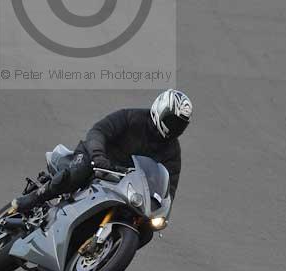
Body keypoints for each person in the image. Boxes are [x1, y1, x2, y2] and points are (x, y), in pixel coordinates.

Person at [12, 89, 193, 213]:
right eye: (172, 121)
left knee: (145, 230)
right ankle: (34, 198)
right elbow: (99, 131)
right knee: (75, 174)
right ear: (160, 109)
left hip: (124, 184)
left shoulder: (172, 152)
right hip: (96, 159)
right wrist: (98, 156)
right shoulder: (132, 118)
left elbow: (168, 188)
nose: (175, 128)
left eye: (181, 125)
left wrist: (158, 207)